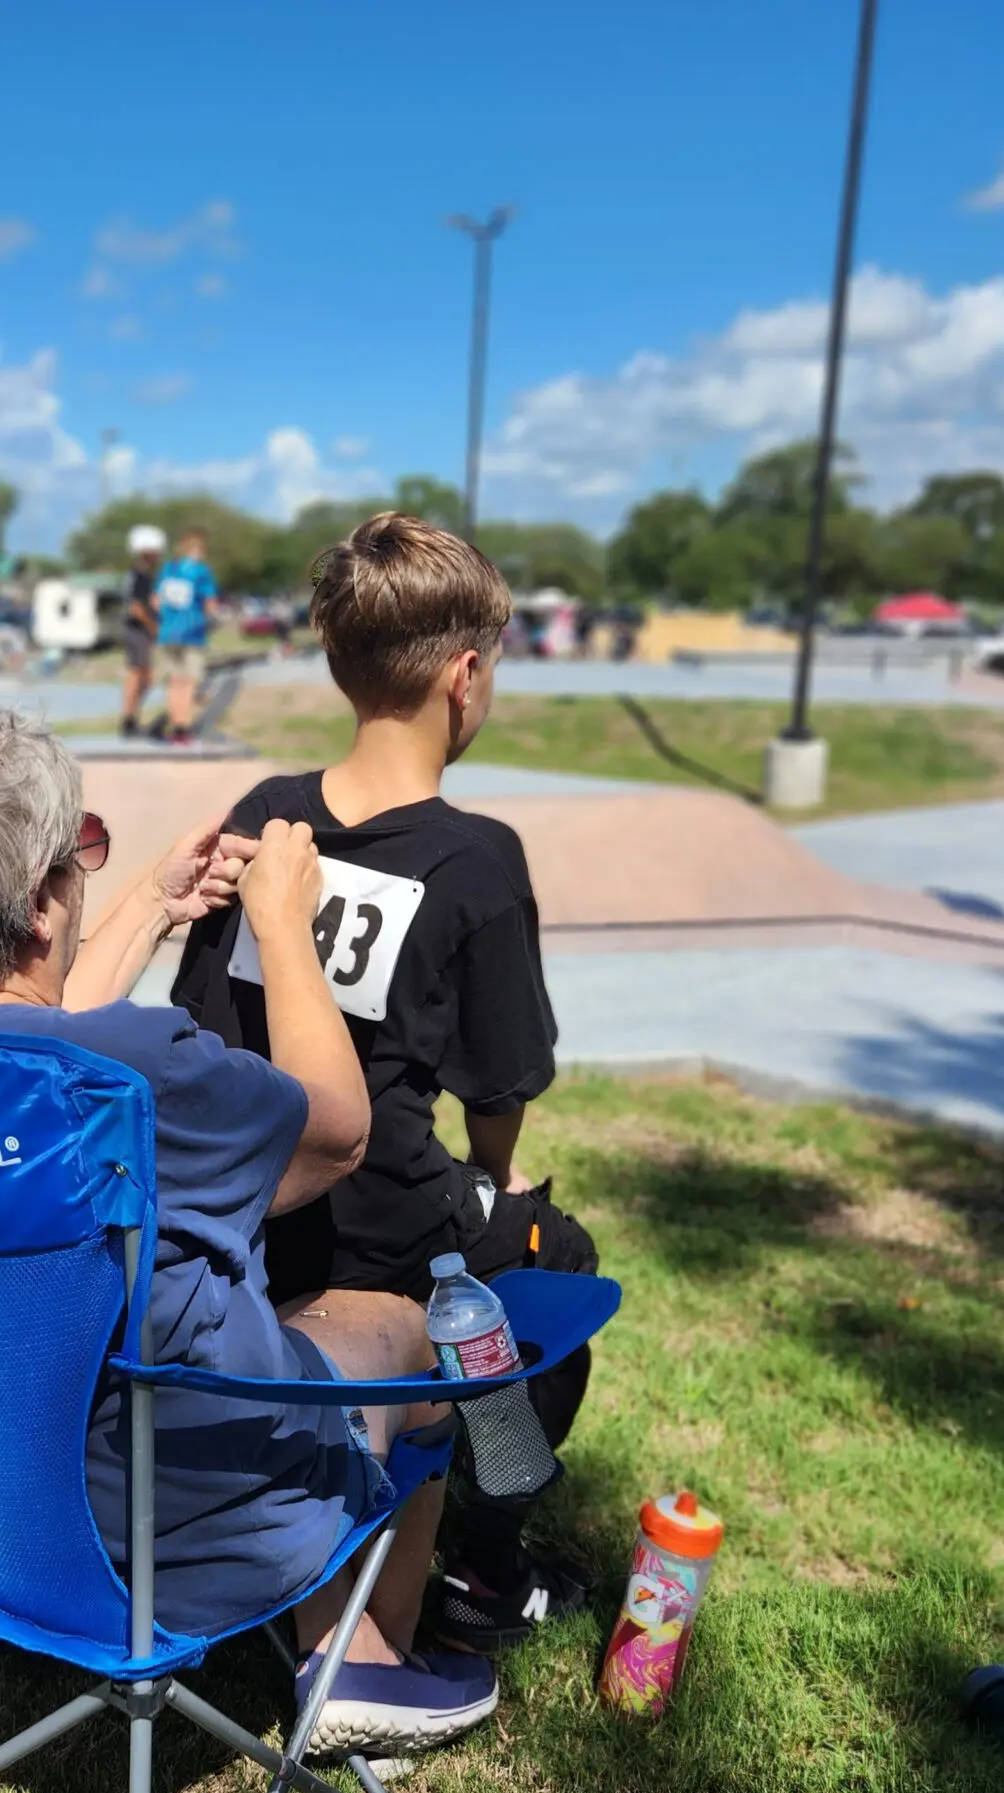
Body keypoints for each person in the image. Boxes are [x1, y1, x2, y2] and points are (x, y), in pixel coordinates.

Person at [0, 691, 499, 1755]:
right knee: (395, 1325)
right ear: (42, 906)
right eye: (78, 857)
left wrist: (144, 901)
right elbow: (335, 1137)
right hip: (133, 1534)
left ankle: (352, 1639)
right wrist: (284, 927)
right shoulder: (144, 1072)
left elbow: (16, 1035)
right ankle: (362, 1657)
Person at [169, 512, 599, 1655]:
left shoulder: (265, 813)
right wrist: (499, 1184)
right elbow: (502, 1081)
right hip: (379, 1221)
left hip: (245, 1207)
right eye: (491, 666)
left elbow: (198, 1020)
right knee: (551, 1264)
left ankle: (445, 1517)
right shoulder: (475, 858)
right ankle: (487, 1562)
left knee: (502, 1256)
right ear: (464, 676)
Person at [154, 527, 218, 743]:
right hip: (193, 633)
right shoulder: (201, 571)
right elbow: (210, 604)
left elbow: (156, 601)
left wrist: (167, 617)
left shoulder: (168, 570)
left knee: (173, 682)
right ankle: (184, 726)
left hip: (167, 634)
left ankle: (175, 727)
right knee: (189, 681)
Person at [118, 523, 164, 739]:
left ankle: (131, 717)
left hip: (133, 631)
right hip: (138, 631)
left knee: (143, 676)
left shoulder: (135, 574)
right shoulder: (141, 576)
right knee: (138, 675)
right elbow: (136, 608)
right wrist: (152, 626)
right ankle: (129, 720)